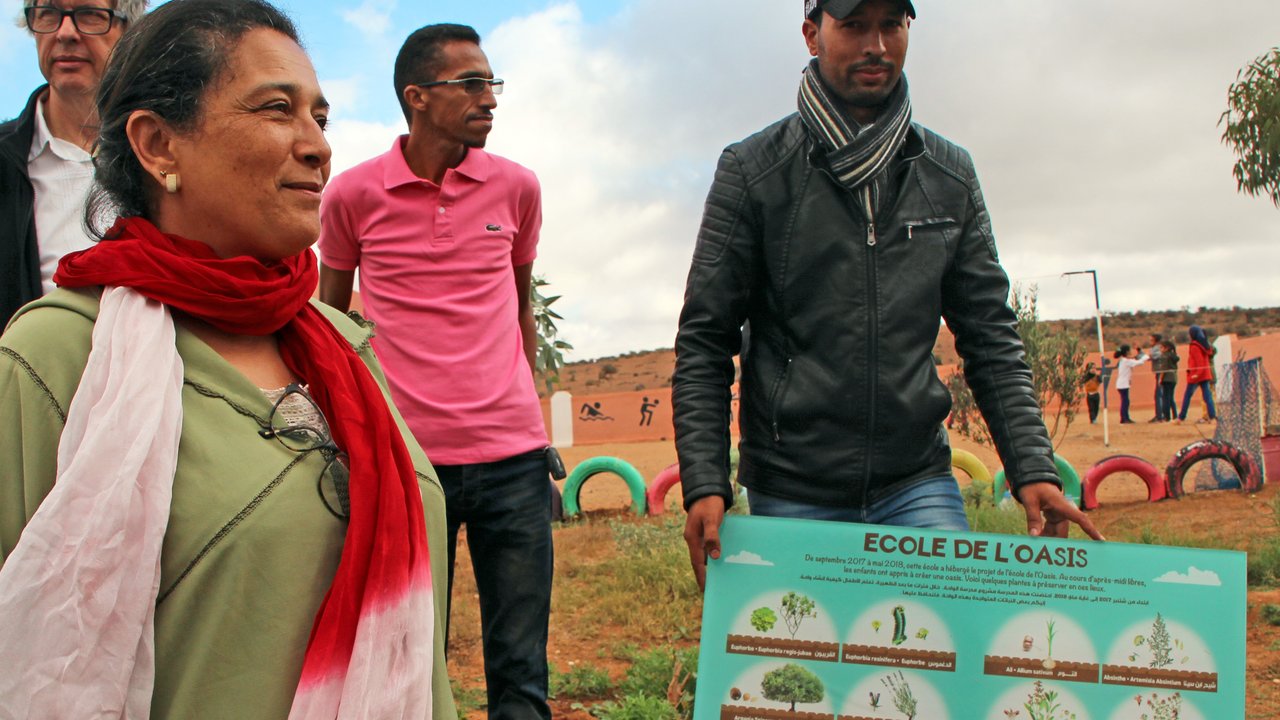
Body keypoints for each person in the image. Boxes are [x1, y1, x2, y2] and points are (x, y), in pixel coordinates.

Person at [0, 2, 456, 717]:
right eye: (277, 109)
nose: (317, 146)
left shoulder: (344, 346)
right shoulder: (57, 358)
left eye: (321, 117)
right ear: (158, 146)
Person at [672, 0, 1102, 590]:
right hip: (794, 488)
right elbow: (705, 340)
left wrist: (1032, 466)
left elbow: (989, 335)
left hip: (917, 481)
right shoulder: (753, 171)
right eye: (853, 26)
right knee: (812, 676)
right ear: (811, 34)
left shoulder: (948, 175)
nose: (876, 44)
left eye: (891, 25)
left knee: (942, 655)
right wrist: (705, 481)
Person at [317, 23, 552, 719]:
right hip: (406, 463)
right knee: (412, 660)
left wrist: (532, 415)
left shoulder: (516, 188)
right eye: (472, 84)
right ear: (417, 97)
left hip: (514, 461)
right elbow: (330, 322)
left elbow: (520, 304)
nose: (491, 100)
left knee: (521, 667)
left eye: (492, 84)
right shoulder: (353, 197)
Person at [1, 0, 146, 328]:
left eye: (89, 15)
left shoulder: (167, 154)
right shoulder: (6, 163)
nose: (65, 32)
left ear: (128, 30)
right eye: (48, 14)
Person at [1176, 325, 1217, 424]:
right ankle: (1212, 417)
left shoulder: (1195, 346)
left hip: (1196, 375)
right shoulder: (1205, 345)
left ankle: (1181, 418)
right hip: (1205, 374)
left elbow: (1199, 362)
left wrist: (1196, 374)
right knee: (1207, 396)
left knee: (1187, 396)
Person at [1112, 344, 1149, 424]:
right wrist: (1145, 357)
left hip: (1122, 384)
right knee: (1125, 402)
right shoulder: (1126, 361)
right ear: (1127, 352)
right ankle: (1125, 418)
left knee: (1125, 401)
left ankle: (1124, 418)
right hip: (1123, 384)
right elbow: (1139, 362)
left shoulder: (1123, 360)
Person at [1158, 339, 1179, 422]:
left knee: (1165, 398)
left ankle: (1166, 416)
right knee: (1171, 398)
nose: (1160, 349)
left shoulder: (1164, 356)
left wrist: (1160, 379)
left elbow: (1164, 369)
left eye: (1161, 348)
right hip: (1173, 378)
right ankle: (1175, 415)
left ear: (1166, 348)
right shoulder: (1173, 356)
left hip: (1166, 378)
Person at [1146, 333, 1164, 421]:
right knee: (1160, 394)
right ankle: (1160, 414)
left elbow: (1152, 356)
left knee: (1158, 395)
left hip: (1160, 373)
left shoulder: (1158, 348)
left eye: (1151, 340)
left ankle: (1160, 416)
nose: (1150, 342)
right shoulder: (1154, 349)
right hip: (1158, 373)